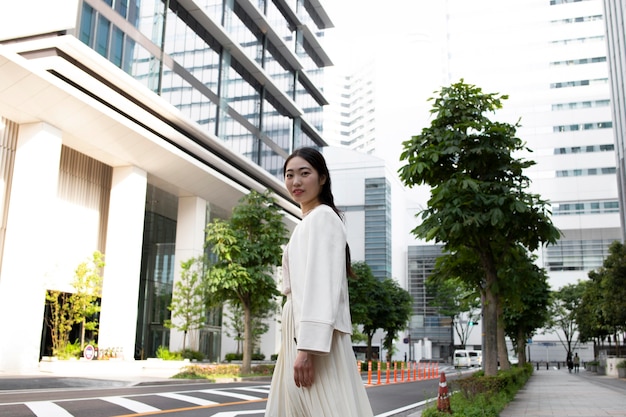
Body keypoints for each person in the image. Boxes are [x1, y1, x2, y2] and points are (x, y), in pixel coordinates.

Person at [265, 147, 374, 417]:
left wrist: (307, 349)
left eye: (305, 173)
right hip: (300, 333)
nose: (296, 182)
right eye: (289, 175)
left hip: (312, 340)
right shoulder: (308, 222)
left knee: (326, 407)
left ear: (322, 178)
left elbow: (320, 286)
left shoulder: (323, 217)